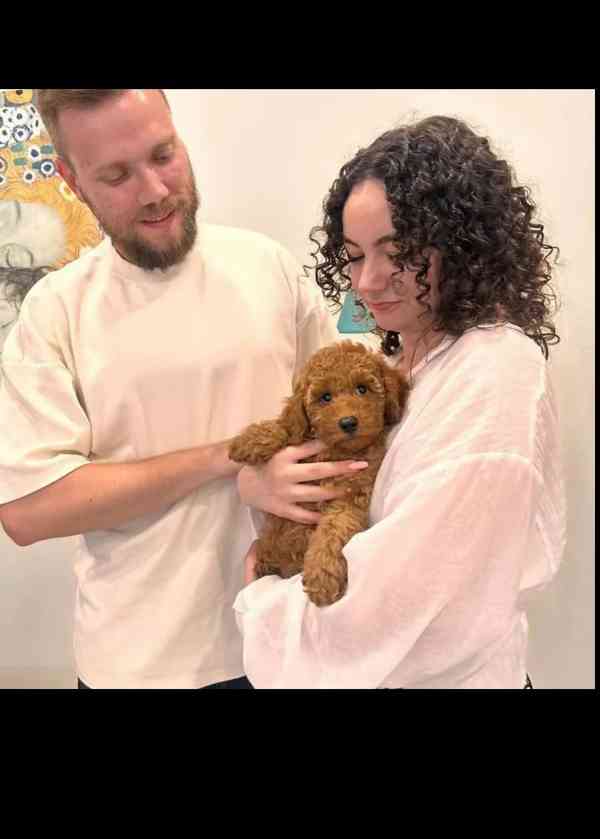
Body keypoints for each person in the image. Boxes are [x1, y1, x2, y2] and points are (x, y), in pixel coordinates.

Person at [0, 89, 363, 689]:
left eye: (163, 155)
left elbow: (349, 425)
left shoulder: (267, 267)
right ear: (71, 180)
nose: (154, 190)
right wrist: (230, 460)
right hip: (139, 665)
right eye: (116, 175)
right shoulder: (56, 311)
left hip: (290, 639)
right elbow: (28, 510)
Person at [233, 115, 567, 689]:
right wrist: (259, 484)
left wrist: (259, 601)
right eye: (354, 256)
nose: (367, 281)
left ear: (465, 245)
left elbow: (406, 606)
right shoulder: (406, 361)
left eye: (399, 252)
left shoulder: (493, 371)